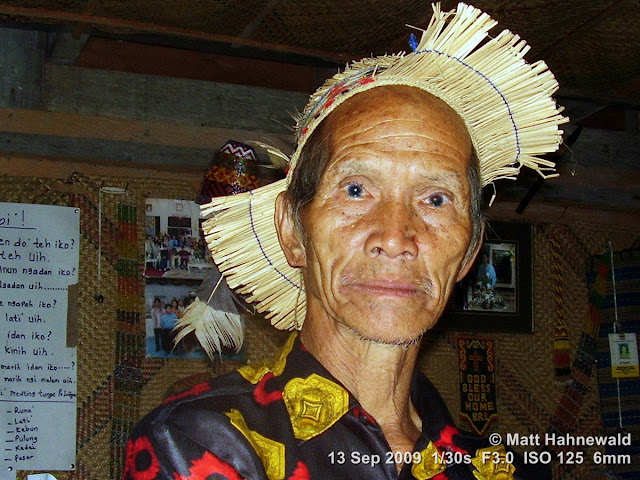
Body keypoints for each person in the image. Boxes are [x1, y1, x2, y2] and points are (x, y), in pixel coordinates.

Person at [122, 4, 565, 480]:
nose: (396, 238)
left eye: (436, 199)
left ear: (470, 252)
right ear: (293, 230)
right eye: (356, 190)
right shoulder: (201, 442)